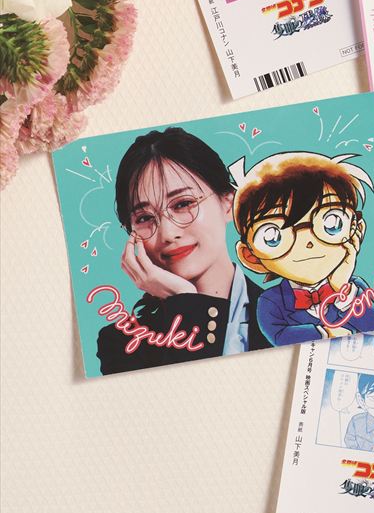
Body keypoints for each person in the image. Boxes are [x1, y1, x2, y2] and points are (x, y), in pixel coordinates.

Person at [98, 128, 271, 374]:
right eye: (145, 218)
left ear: (227, 203)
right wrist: (186, 302)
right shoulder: (121, 344)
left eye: (183, 204)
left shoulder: (292, 316)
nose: (168, 233)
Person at [232, 151, 374, 345]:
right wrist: (324, 334)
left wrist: (341, 290)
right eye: (272, 236)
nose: (307, 242)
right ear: (250, 256)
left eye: (332, 222)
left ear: (356, 230)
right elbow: (280, 338)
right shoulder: (271, 301)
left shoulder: (354, 287)